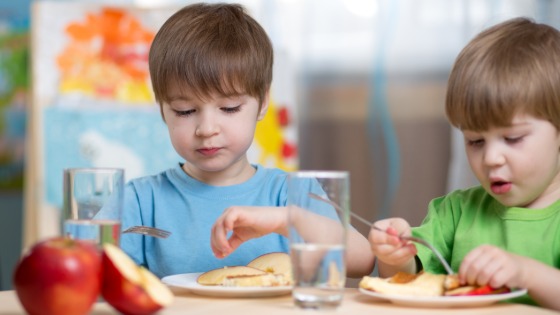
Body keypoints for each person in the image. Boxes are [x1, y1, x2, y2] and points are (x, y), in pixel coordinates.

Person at [121, 2, 375, 279]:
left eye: (229, 108)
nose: (206, 129)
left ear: (263, 102)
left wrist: (288, 219)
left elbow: (362, 262)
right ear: (162, 110)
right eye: (185, 111)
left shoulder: (289, 194)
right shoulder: (139, 200)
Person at [368, 17, 560, 310]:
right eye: (475, 141)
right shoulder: (455, 213)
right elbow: (406, 282)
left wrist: (525, 272)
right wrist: (395, 256)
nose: (491, 159)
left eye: (513, 138)